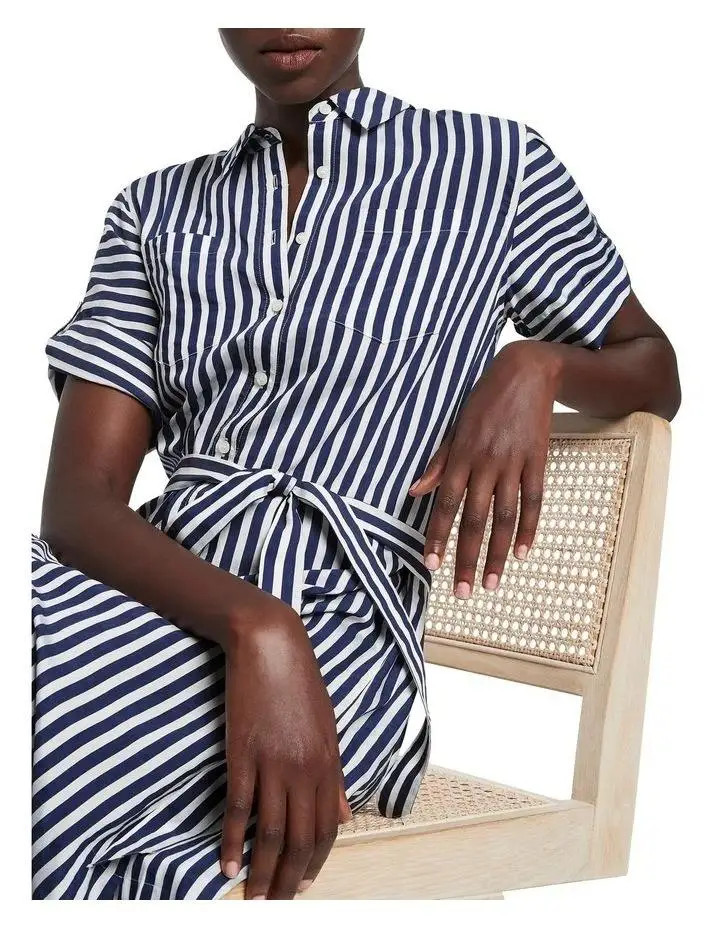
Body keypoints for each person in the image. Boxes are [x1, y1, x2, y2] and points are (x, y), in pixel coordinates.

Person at [30, 27, 681, 901]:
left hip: (342, 635)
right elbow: (77, 506)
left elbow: (653, 366)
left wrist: (538, 364)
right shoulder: (153, 210)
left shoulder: (496, 166)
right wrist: (259, 628)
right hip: (167, 596)